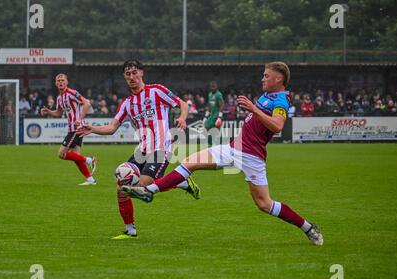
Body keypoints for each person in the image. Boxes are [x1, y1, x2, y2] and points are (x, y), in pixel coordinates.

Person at [122, 62, 324, 246]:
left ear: (278, 79)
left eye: (266, 75)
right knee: (190, 162)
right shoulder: (268, 96)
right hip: (233, 147)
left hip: (252, 156)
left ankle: (308, 227)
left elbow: (278, 126)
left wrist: (253, 108)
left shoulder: (281, 101)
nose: (262, 78)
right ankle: (150, 190)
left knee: (265, 204)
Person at [77, 59, 201, 239]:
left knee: (142, 187)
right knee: (122, 188)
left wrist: (182, 117)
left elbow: (183, 104)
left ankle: (180, 182)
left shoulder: (156, 91)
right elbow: (112, 128)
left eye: (135, 72)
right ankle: (130, 231)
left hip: (160, 148)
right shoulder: (127, 104)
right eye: (128, 74)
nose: (132, 77)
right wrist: (93, 128)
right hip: (142, 150)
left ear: (141, 73)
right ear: (124, 78)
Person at [40, 73, 97, 186]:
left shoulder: (71, 93)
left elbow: (87, 103)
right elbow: (59, 112)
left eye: (62, 80)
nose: (60, 82)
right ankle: (91, 180)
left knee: (61, 154)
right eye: (58, 80)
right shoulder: (59, 98)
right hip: (74, 128)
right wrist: (49, 112)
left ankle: (90, 160)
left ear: (66, 82)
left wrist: (79, 118)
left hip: (76, 128)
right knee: (76, 157)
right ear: (56, 83)